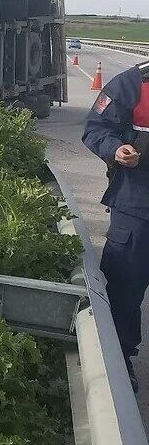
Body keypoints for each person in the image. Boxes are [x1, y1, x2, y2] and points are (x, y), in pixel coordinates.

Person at [83, 61, 149, 393]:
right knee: (122, 292)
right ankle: (119, 363)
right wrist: (116, 149)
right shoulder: (135, 83)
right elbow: (95, 128)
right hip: (138, 207)